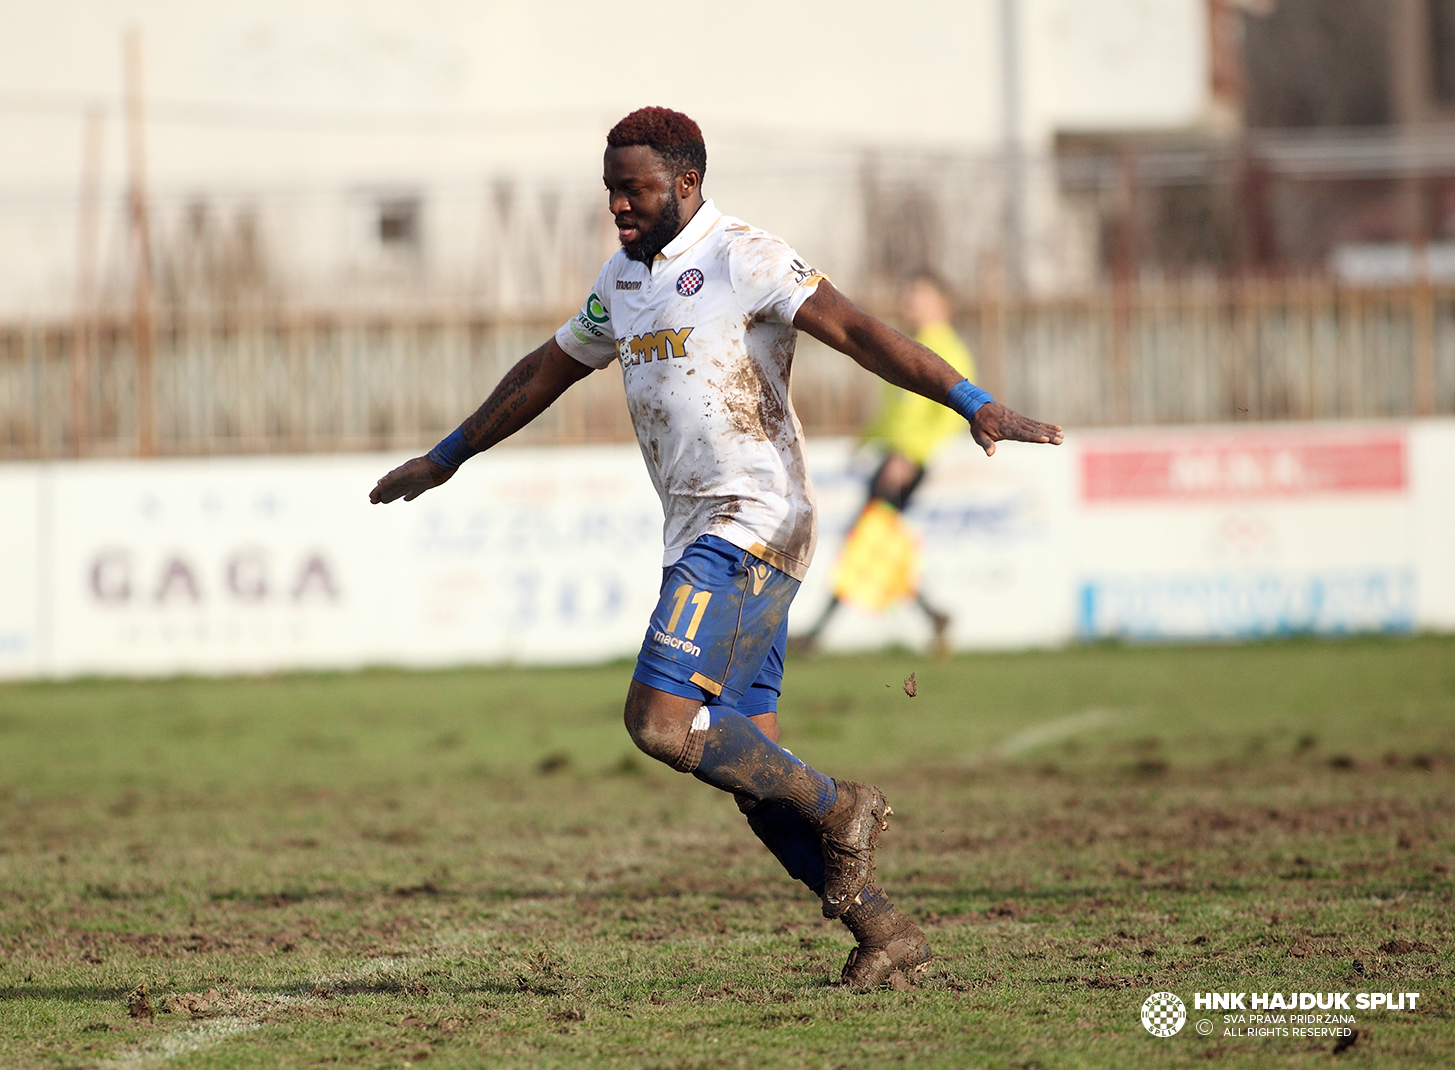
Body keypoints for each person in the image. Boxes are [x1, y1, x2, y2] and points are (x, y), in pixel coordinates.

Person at [369, 107, 1063, 989]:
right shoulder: (621, 282)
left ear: (686, 183)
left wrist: (971, 401)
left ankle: (843, 803)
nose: (619, 205)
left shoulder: (745, 256)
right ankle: (883, 930)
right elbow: (546, 369)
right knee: (748, 766)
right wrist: (446, 456)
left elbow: (858, 333)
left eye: (635, 189)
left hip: (754, 520)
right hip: (698, 530)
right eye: (611, 190)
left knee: (659, 723)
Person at [796, 274, 976, 657]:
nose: (908, 299)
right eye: (908, 291)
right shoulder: (908, 344)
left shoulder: (948, 350)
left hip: (903, 465)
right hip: (890, 459)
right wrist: (865, 442)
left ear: (943, 304)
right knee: (874, 544)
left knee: (864, 543)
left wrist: (911, 455)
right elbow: (893, 414)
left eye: (919, 294)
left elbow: (948, 416)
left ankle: (816, 632)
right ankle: (932, 615)